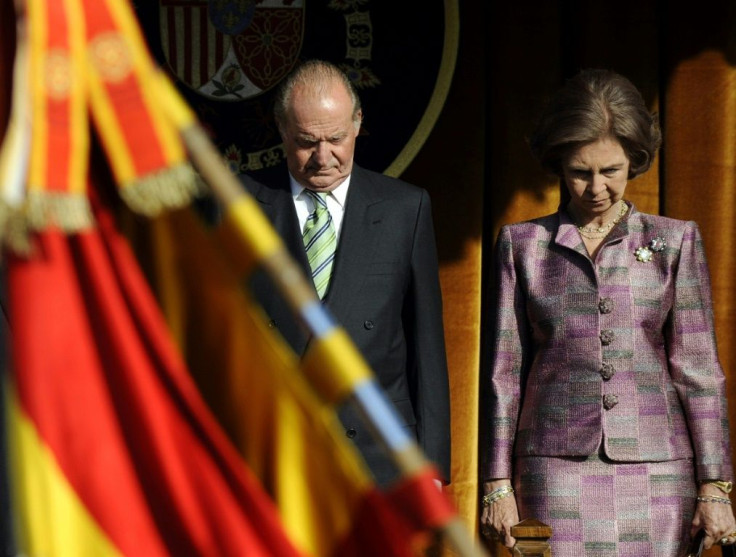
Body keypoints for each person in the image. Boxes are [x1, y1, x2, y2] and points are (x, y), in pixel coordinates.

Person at [479, 68, 736, 555]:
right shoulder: (523, 246)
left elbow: (699, 371)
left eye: (610, 170)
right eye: (580, 171)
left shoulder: (673, 242)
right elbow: (502, 375)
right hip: (553, 470)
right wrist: (497, 484)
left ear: (634, 161)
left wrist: (715, 486)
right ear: (558, 164)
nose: (596, 187)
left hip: (659, 473)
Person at [242, 59, 451, 487]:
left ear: (358, 123)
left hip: (379, 457)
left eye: (336, 138)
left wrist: (431, 467)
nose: (323, 158)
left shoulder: (404, 208)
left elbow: (425, 344)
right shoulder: (240, 202)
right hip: (271, 451)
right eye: (306, 141)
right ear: (281, 129)